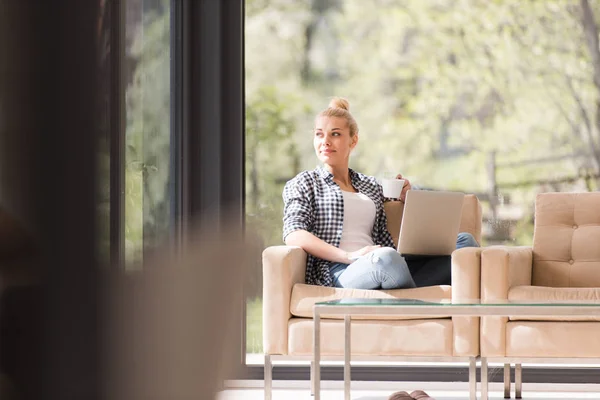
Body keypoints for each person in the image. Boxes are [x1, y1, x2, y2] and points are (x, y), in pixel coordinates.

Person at [282, 97, 479, 289]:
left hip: (389, 262)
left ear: (353, 141)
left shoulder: (369, 184)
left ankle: (406, 293)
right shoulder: (304, 182)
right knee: (386, 258)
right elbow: (294, 234)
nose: (325, 141)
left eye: (335, 134)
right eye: (319, 134)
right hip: (340, 270)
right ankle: (413, 307)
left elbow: (406, 199)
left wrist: (407, 193)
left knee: (465, 243)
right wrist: (349, 256)